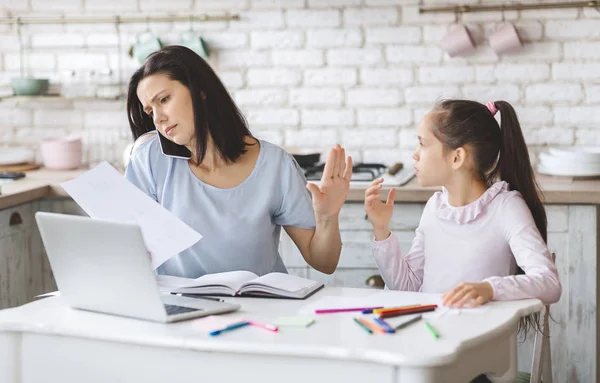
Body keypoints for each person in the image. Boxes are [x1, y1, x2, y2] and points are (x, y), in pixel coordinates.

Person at [124, 45, 352, 278]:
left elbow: (324, 263)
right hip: (184, 309)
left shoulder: (275, 165)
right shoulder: (150, 159)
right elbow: (127, 244)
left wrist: (327, 218)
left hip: (260, 307)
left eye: (164, 99)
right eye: (150, 111)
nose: (159, 118)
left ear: (200, 90)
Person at [365, 99, 561, 310]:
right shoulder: (435, 208)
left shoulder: (506, 208)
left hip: (482, 340)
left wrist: (490, 289)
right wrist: (381, 230)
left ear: (457, 157)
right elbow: (406, 288)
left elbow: (549, 283)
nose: (415, 153)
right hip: (432, 335)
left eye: (422, 144)